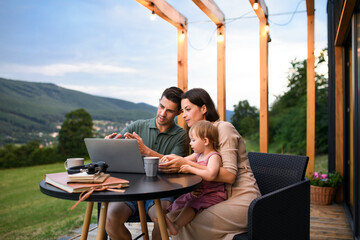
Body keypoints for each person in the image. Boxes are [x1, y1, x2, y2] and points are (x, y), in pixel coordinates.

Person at [158, 88, 261, 240]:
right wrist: (169, 160)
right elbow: (187, 161)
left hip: (242, 198)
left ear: (204, 108)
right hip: (217, 197)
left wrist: (188, 166)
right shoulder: (202, 137)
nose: (184, 115)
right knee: (170, 218)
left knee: (186, 225)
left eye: (188, 109)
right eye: (182, 110)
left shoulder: (223, 128)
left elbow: (230, 176)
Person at [105, 86, 189, 240]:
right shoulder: (137, 126)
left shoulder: (181, 136)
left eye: (169, 111)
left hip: (161, 191)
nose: (163, 114)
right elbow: (114, 151)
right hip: (131, 190)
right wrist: (108, 145)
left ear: (179, 113)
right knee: (110, 221)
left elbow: (174, 164)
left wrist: (145, 151)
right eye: (161, 107)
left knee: (161, 220)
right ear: (158, 102)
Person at [161, 120, 227, 236]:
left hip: (212, 194)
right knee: (180, 201)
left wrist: (190, 169)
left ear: (205, 141)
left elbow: (211, 175)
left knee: (191, 204)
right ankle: (165, 218)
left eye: (193, 140)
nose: (190, 143)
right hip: (199, 191)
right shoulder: (198, 155)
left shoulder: (213, 157)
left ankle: (176, 226)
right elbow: (183, 160)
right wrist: (171, 158)